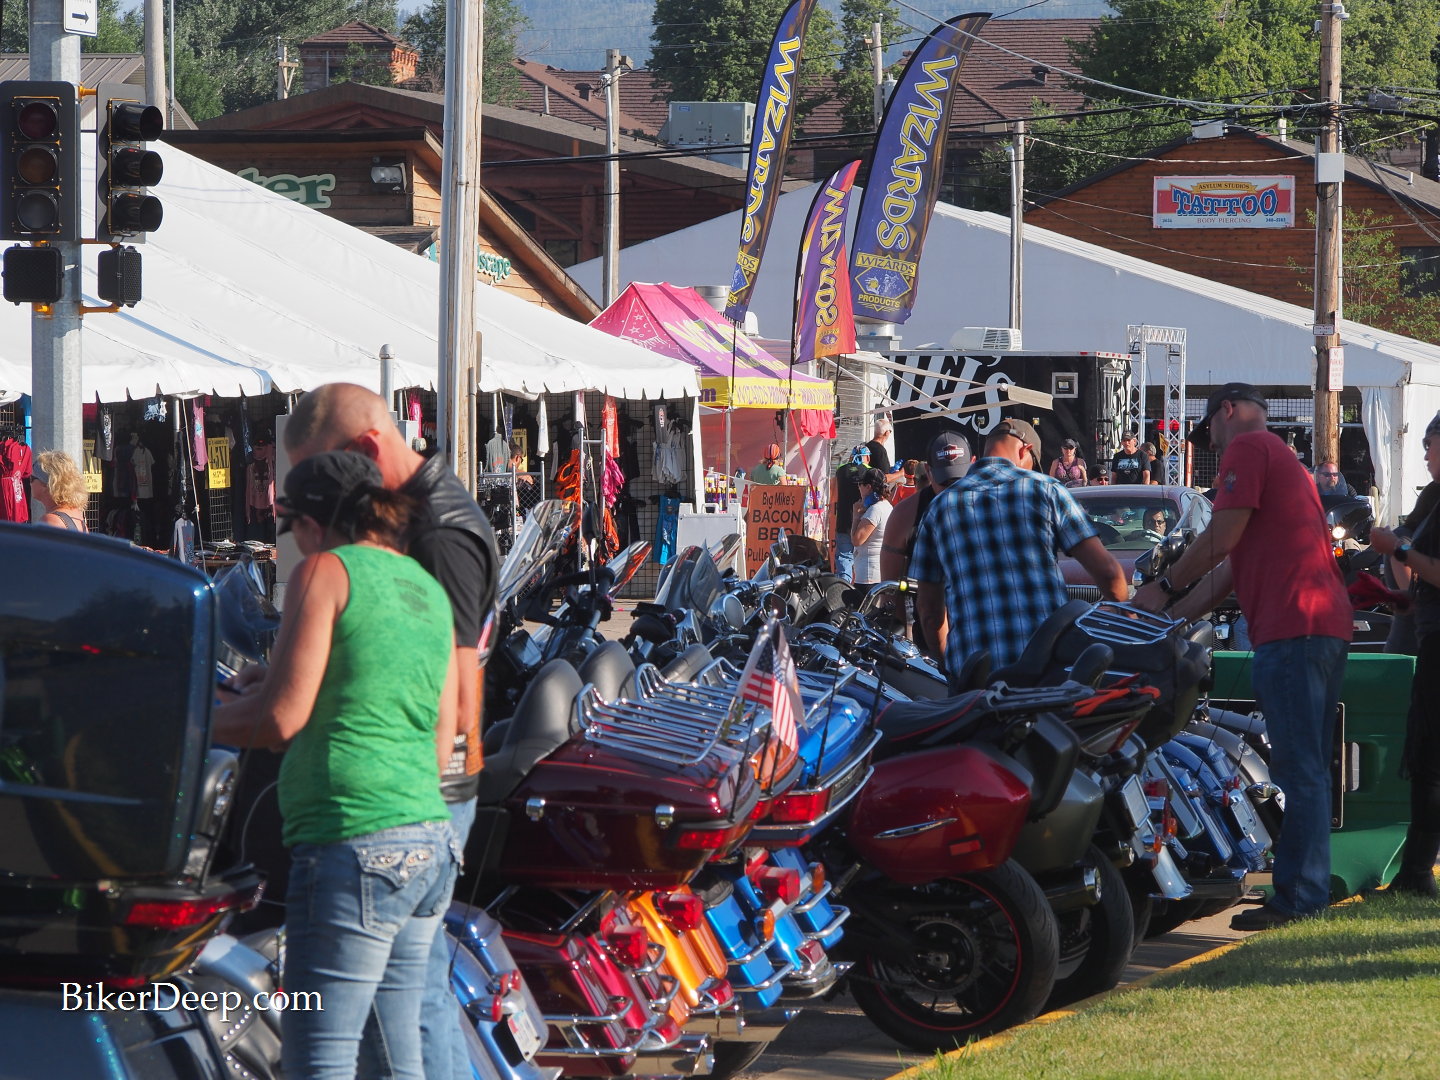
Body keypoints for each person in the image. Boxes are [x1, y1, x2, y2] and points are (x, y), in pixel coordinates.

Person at [213, 451, 458, 1079]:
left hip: (352, 842)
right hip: (429, 840)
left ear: (312, 521)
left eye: (287, 524)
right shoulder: (425, 588)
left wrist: (188, 724)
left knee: (317, 1057)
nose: (289, 540)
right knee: (394, 1057)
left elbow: (281, 720)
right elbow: (436, 734)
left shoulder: (323, 572)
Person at [283, 383, 499, 1080]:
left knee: (396, 1012)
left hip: (410, 795)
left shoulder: (433, 530)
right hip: (419, 800)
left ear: (366, 451)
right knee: (396, 1012)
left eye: (328, 480)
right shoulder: (430, 518)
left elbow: (456, 682)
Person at [1132, 383, 1351, 931]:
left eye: (1208, 431)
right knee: (1307, 768)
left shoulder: (1248, 447)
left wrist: (1160, 586)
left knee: (1297, 768)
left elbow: (1222, 535)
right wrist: (1171, 618)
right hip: (1320, 624)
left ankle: (1299, 897)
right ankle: (1306, 889)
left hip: (1292, 628)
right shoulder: (1288, 462)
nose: (1213, 442)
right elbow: (1229, 568)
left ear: (1226, 411)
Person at [912, 418, 1127, 681]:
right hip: (1046, 673)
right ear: (1024, 450)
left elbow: (929, 611)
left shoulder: (938, 508)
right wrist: (1124, 620)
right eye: (1033, 463)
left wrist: (949, 663)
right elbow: (1109, 573)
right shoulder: (1046, 489)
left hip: (976, 680)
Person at [1368, 413, 1440, 896]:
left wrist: (1401, 551)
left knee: (1431, 757)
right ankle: (1416, 870)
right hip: (1427, 631)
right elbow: (1407, 560)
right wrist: (1396, 554)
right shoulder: (1432, 495)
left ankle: (1416, 874)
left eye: (1430, 445)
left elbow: (1423, 563)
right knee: (1425, 754)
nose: (1425, 455)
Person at [880, 431, 972, 652]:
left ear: (974, 465)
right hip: (932, 647)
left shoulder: (994, 504)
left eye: (958, 479)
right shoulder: (906, 515)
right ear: (929, 472)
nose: (951, 490)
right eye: (945, 481)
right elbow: (891, 595)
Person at [832, 445, 870, 583]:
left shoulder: (841, 471)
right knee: (863, 558)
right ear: (867, 457)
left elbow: (833, 494)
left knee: (844, 559)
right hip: (863, 522)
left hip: (843, 521)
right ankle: (861, 592)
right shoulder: (869, 472)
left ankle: (842, 591)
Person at [850, 467, 893, 587]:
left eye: (860, 484)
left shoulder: (875, 510)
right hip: (877, 571)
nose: (858, 488)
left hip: (868, 574)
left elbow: (857, 540)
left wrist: (856, 516)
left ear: (868, 487)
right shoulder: (886, 506)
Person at [31, 451, 89, 532]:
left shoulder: (50, 521)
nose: (30, 484)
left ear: (46, 484)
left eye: (32, 478)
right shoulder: (77, 515)